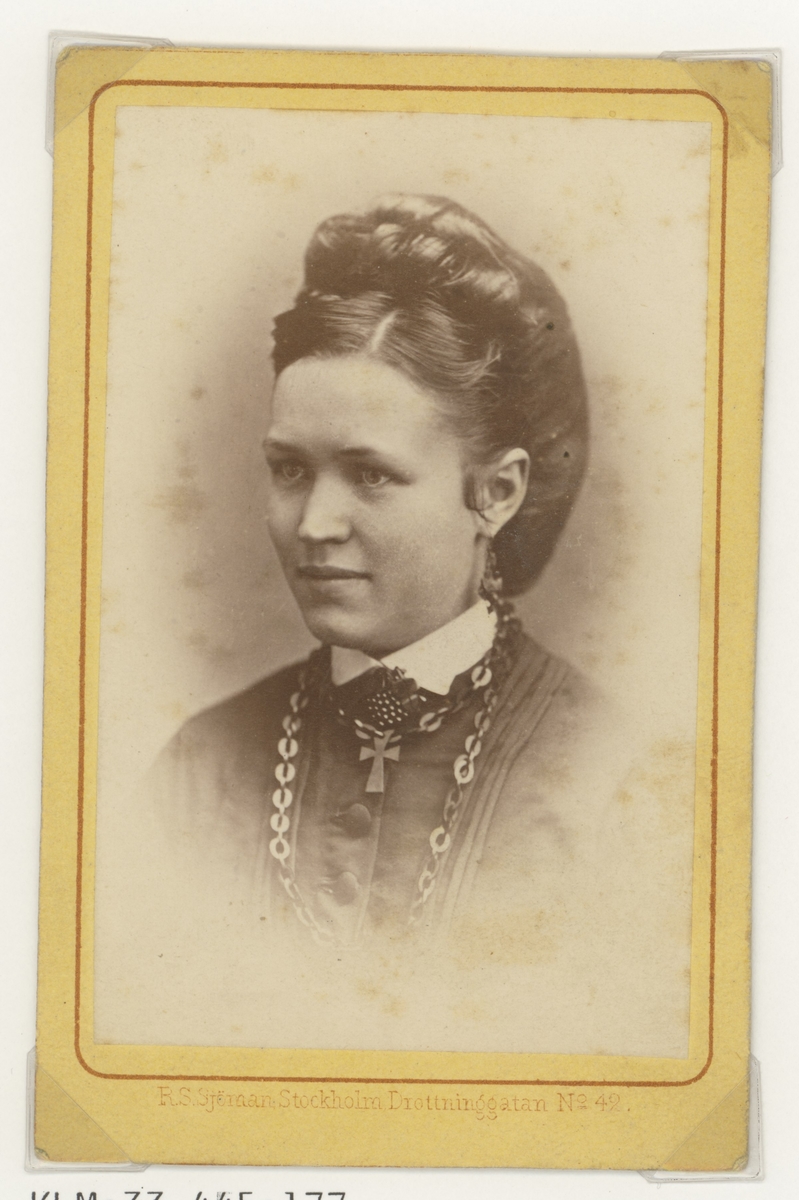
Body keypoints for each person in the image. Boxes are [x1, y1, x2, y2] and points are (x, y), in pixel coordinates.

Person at [96, 196, 690, 1056]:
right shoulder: (201, 768)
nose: (314, 524)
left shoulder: (619, 781)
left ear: (496, 492)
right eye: (289, 470)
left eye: (370, 476)